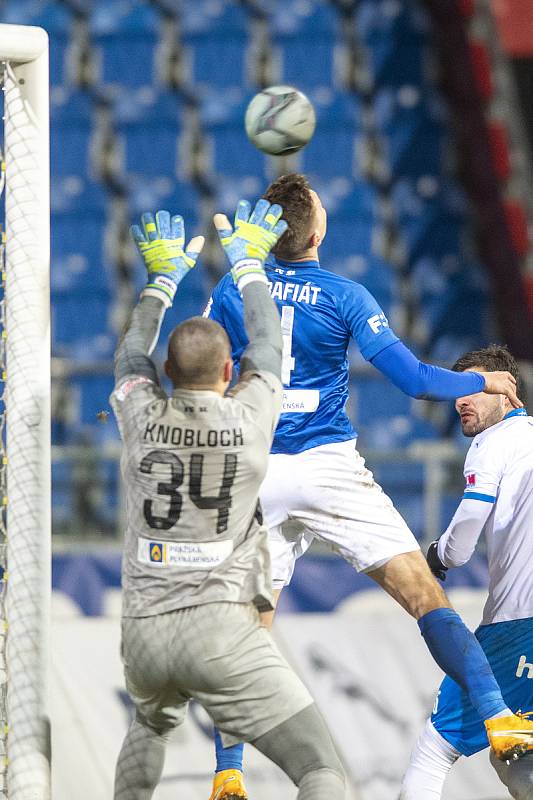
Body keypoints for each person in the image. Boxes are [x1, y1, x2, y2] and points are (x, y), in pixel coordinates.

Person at [203, 172, 533, 799]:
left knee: (247, 632)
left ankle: (228, 775)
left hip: (260, 470)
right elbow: (412, 379)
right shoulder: (345, 294)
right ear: (318, 230)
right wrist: (481, 383)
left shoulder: (231, 288)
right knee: (424, 597)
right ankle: (500, 721)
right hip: (328, 466)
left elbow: (201, 370)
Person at [110, 200, 347, 800]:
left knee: (148, 727)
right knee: (322, 770)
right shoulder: (249, 416)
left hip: (144, 629)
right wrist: (248, 265)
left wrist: (161, 283)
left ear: (166, 369)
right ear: (227, 371)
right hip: (220, 628)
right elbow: (267, 341)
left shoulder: (138, 412)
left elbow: (128, 356)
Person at [400, 344, 533, 800]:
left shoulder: (493, 442)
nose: (461, 399)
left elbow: (463, 539)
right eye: (458, 389)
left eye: (476, 386)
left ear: (507, 391)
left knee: (436, 749)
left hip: (519, 624)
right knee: (516, 750)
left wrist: (436, 556)